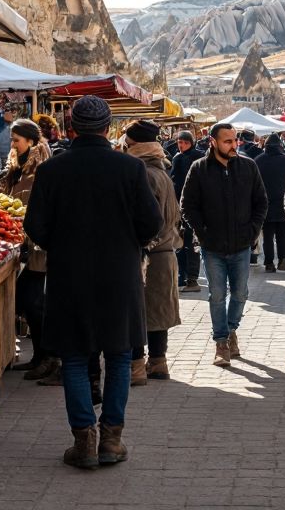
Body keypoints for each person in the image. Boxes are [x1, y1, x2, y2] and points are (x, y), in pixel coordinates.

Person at [25, 96, 160, 470]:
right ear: (107, 128)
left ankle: (84, 440)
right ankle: (111, 440)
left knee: (74, 356)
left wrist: (63, 245)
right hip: (119, 275)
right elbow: (152, 223)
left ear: (71, 127)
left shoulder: (53, 171)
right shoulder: (129, 169)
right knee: (118, 355)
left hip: (69, 275)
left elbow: (34, 226)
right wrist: (125, 242)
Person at [180, 123, 268, 367]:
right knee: (217, 295)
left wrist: (252, 231)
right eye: (227, 141)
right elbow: (187, 205)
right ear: (213, 142)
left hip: (241, 245)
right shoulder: (199, 169)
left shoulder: (248, 166)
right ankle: (221, 342)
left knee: (240, 293)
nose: (233, 145)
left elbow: (261, 202)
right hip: (213, 247)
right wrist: (203, 231)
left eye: (235, 140)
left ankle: (230, 330)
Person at [119, 120, 183, 386]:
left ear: (134, 145)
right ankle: (158, 362)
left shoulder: (143, 173)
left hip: (146, 253)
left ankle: (136, 367)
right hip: (166, 251)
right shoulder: (161, 171)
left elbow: (144, 218)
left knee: (137, 312)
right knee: (159, 312)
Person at [0, 119, 59, 383]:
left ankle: (49, 359)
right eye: (12, 140)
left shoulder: (41, 167)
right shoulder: (17, 166)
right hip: (24, 242)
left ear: (31, 141)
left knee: (33, 301)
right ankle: (40, 357)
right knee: (28, 300)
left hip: (41, 247)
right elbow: (8, 196)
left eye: (16, 140)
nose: (12, 144)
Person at [254, 135, 285, 272]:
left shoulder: (258, 160)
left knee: (268, 236)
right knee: (283, 235)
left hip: (265, 204)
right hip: (283, 203)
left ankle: (269, 262)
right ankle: (282, 260)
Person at [169, 130, 204, 292]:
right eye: (179, 142)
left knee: (191, 243)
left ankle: (192, 279)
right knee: (180, 243)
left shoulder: (199, 157)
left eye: (185, 142)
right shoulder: (176, 158)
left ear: (191, 143)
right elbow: (174, 181)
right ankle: (182, 277)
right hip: (178, 206)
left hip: (194, 206)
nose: (181, 145)